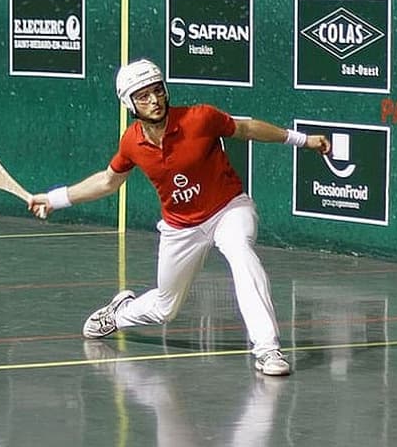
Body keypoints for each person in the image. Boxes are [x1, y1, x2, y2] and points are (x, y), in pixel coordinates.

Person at [28, 58, 331, 376]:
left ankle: (268, 350)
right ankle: (119, 314)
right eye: (143, 96)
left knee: (241, 254)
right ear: (129, 103)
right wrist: (54, 199)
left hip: (229, 208)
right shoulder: (131, 142)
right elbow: (108, 181)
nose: (154, 100)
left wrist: (303, 140)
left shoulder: (200, 118)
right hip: (181, 228)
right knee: (165, 307)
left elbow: (246, 128)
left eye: (157, 91)